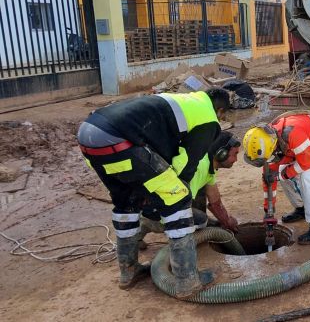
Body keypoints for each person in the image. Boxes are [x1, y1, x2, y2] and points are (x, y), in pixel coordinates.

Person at [77, 88, 229, 299]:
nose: (221, 120)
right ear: (219, 110)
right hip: (120, 141)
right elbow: (186, 165)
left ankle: (128, 273)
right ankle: (187, 281)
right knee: (179, 198)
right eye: (223, 115)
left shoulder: (183, 102)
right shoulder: (207, 118)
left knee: (127, 205)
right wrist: (172, 196)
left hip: (89, 137)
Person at [242, 114, 310, 245]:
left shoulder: (293, 134)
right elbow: (269, 180)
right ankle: (302, 208)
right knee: (280, 172)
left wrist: (281, 175)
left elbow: (306, 163)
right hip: (306, 142)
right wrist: (268, 211)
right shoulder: (268, 141)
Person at [137, 131, 241, 249]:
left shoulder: (207, 163)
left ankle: (147, 222)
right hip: (159, 205)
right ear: (221, 153)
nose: (236, 159)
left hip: (160, 200)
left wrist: (226, 221)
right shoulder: (200, 167)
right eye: (235, 154)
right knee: (201, 220)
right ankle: (148, 223)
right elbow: (179, 204)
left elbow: (215, 201)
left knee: (201, 206)